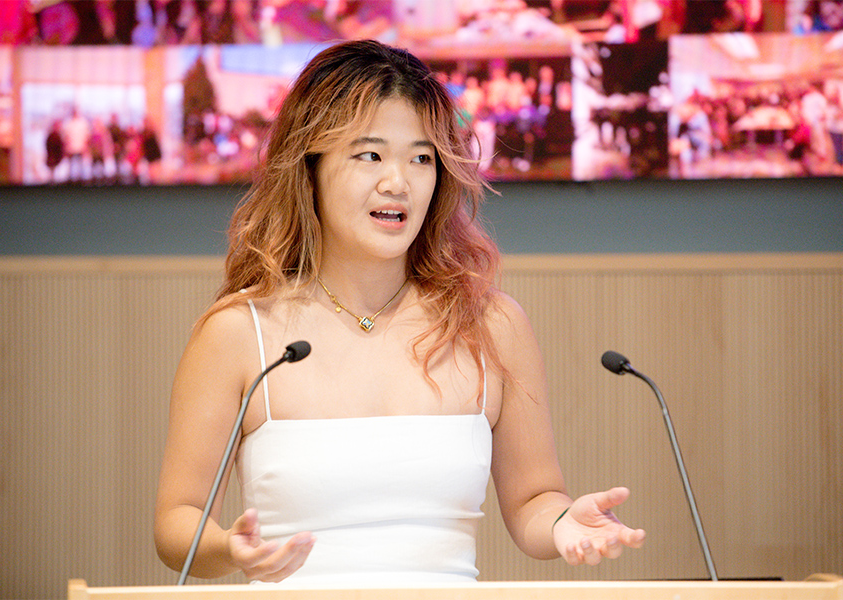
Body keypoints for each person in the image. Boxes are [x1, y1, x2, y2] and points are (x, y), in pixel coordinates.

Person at [154, 39, 645, 585]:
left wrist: (562, 523)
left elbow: (533, 499)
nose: (399, 181)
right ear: (309, 166)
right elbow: (177, 524)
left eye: (421, 157)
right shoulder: (239, 333)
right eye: (370, 155)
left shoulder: (491, 324)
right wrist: (230, 549)